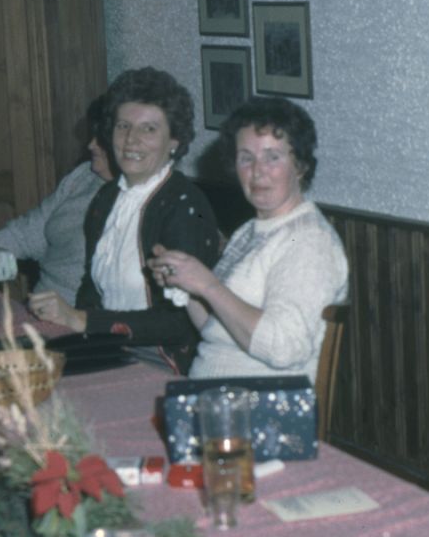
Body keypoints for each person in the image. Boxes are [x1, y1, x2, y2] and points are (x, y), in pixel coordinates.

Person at [28, 67, 221, 373]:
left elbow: (181, 321)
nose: (131, 140)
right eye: (123, 126)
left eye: (149, 129)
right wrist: (79, 333)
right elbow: (90, 289)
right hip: (109, 349)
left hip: (166, 360)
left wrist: (83, 321)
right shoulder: (106, 199)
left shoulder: (184, 206)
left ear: (174, 140)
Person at [148, 96, 348, 383]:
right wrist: (184, 285)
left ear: (300, 165)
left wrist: (208, 285)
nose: (257, 171)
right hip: (215, 394)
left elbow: (284, 349)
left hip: (263, 404)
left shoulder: (310, 240)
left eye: (272, 157)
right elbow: (214, 329)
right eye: (246, 158)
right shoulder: (250, 231)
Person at [0, 96, 114, 303]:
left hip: (78, 314)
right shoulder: (83, 176)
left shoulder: (136, 199)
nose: (91, 145)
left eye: (101, 138)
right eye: (93, 135)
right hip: (39, 305)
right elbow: (25, 235)